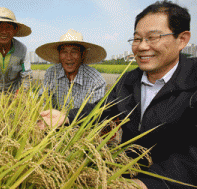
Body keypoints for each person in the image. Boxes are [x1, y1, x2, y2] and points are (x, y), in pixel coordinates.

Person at [39, 1, 197, 188]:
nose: (142, 46)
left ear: (182, 39)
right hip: (124, 173)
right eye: (137, 39)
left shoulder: (193, 81)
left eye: (153, 37)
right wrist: (65, 117)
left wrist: (147, 184)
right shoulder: (129, 80)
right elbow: (102, 108)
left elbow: (190, 158)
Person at [36, 29, 106, 109]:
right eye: (64, 52)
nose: (69, 57)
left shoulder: (95, 80)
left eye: (74, 52)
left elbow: (95, 112)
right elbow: (42, 99)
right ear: (59, 55)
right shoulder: (52, 72)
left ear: (82, 55)